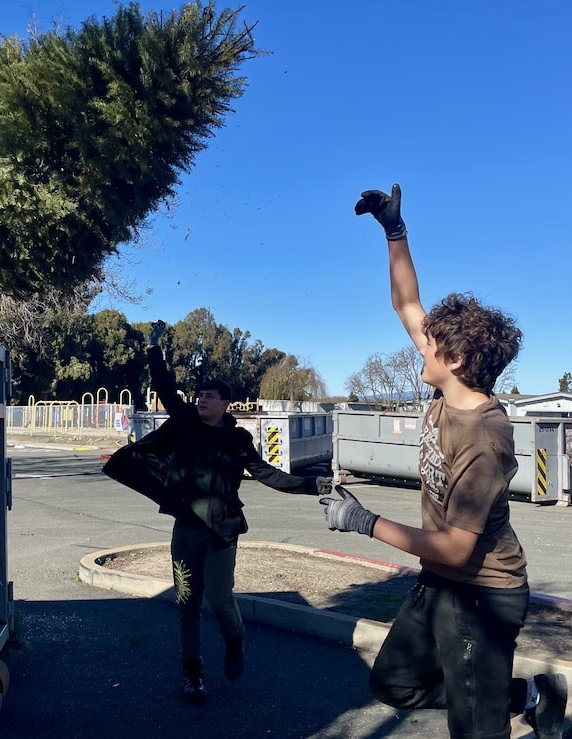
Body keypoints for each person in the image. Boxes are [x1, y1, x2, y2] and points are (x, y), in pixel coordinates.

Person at [318, 183, 567, 738]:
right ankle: (523, 695)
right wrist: (394, 232)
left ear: (453, 359)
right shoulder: (447, 392)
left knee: (473, 730)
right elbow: (405, 303)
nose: (418, 342)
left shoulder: (483, 434)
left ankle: (497, 707)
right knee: (395, 684)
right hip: (441, 584)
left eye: (429, 343)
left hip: (484, 594)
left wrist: (364, 521)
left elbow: (457, 547)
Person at [103, 320, 330, 705]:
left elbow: (269, 475)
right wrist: (154, 350)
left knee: (221, 601)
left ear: (226, 403)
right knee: (187, 602)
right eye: (199, 395)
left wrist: (314, 485)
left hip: (222, 534)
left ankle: (235, 643)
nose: (201, 401)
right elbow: (162, 386)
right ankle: (192, 674)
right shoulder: (186, 423)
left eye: (209, 397)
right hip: (185, 532)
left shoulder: (238, 439)